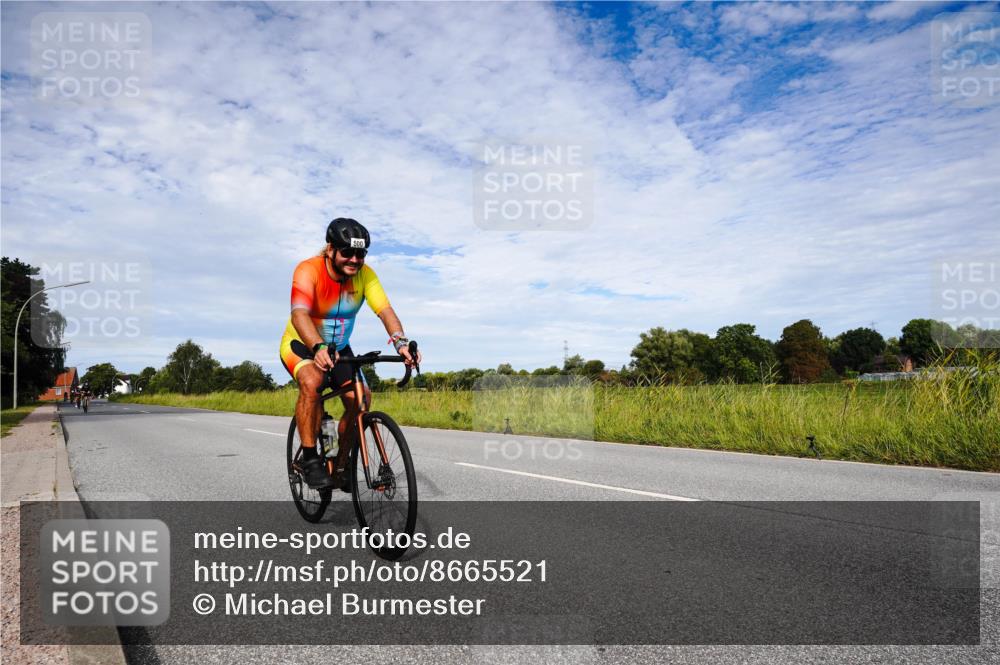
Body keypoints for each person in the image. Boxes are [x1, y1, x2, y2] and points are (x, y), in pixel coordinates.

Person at [279, 218, 419, 489]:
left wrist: (401, 342)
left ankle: (340, 463)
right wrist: (318, 347)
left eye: (361, 254)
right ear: (330, 249)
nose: (355, 260)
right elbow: (299, 313)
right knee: (313, 383)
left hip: (340, 349)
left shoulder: (366, 275)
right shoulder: (309, 270)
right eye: (347, 252)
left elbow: (385, 310)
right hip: (303, 344)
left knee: (361, 399)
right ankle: (310, 459)